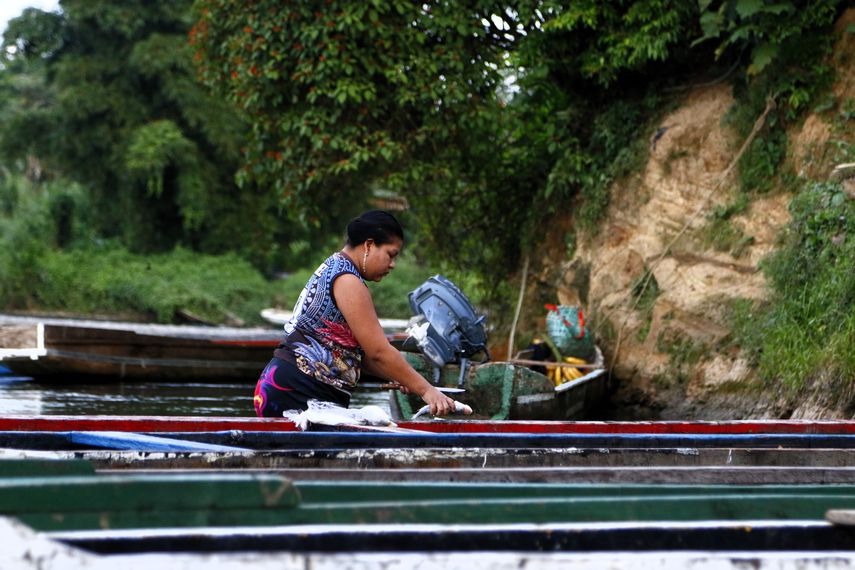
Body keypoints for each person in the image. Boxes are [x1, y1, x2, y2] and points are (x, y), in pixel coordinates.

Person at [254, 210, 457, 418]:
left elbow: (359, 356)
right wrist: (427, 391)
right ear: (369, 245)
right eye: (390, 254)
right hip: (297, 391)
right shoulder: (348, 280)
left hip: (283, 386)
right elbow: (379, 352)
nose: (393, 264)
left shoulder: (334, 266)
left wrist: (403, 378)